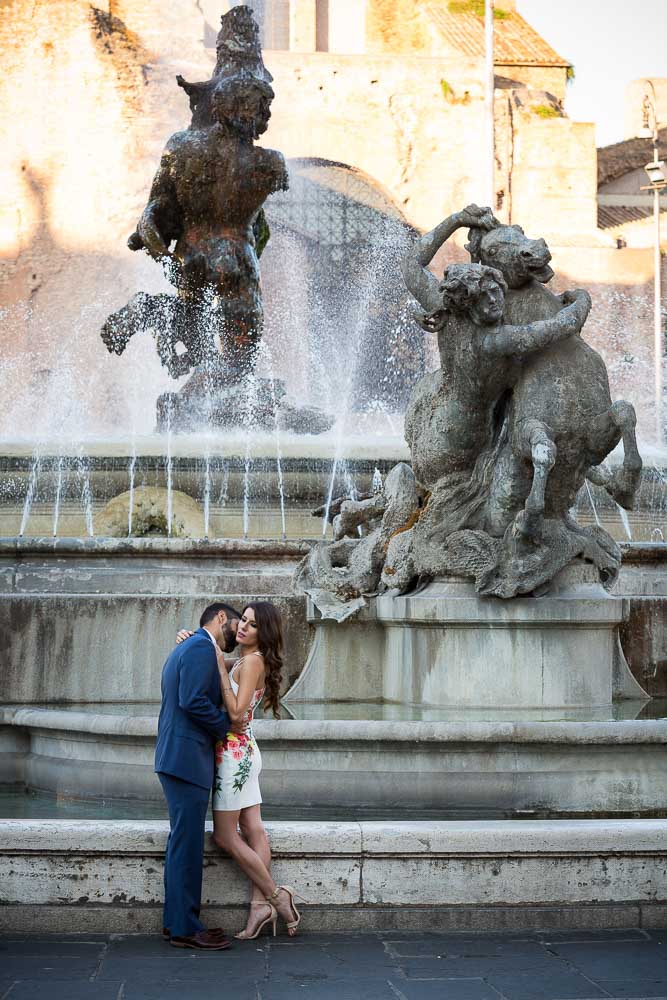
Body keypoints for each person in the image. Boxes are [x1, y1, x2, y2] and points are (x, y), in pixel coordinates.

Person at [176, 601, 303, 940]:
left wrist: (218, 668)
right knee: (253, 828)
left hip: (233, 754)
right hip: (243, 750)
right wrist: (193, 641)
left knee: (225, 836)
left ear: (266, 633)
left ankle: (277, 897)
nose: (243, 627)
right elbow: (211, 656)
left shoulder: (253, 662)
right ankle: (258, 906)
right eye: (242, 620)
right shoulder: (248, 660)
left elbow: (234, 713)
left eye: (252, 624)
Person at [155, 600, 242, 950]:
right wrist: (227, 726)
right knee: (186, 845)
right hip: (186, 758)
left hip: (180, 757)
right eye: (237, 624)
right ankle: (185, 928)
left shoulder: (192, 646)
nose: (238, 632)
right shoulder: (200, 647)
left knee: (183, 843)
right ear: (222, 617)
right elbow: (192, 700)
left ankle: (175, 922)